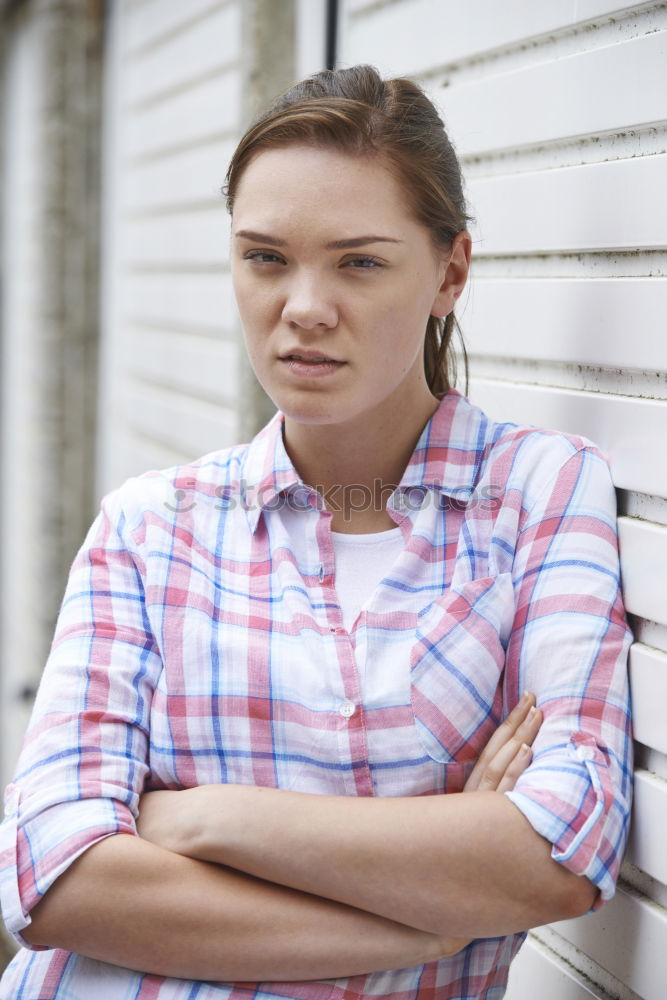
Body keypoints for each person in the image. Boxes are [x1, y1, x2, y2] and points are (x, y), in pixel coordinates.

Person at [0, 65, 632, 999]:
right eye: (264, 257)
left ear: (449, 272)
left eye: (359, 262)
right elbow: (52, 876)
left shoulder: (536, 495)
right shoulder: (151, 526)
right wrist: (433, 917)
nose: (302, 307)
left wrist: (205, 820)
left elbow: (559, 852)